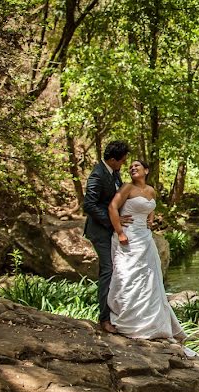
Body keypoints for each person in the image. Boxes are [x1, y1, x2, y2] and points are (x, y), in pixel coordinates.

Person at [106, 160, 189, 347]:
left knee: (150, 280)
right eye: (131, 167)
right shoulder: (127, 188)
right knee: (127, 276)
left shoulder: (151, 190)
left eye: (137, 166)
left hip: (145, 237)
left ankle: (151, 323)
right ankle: (130, 321)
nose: (133, 168)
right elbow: (112, 207)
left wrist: (150, 219)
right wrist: (119, 231)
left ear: (146, 170)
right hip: (127, 236)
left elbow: (150, 206)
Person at [83, 140, 131, 333]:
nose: (124, 164)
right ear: (112, 160)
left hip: (112, 232)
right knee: (108, 271)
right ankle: (104, 319)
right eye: (122, 160)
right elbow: (89, 205)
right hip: (100, 232)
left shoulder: (114, 172)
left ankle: (118, 313)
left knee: (118, 270)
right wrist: (114, 221)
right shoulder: (97, 175)